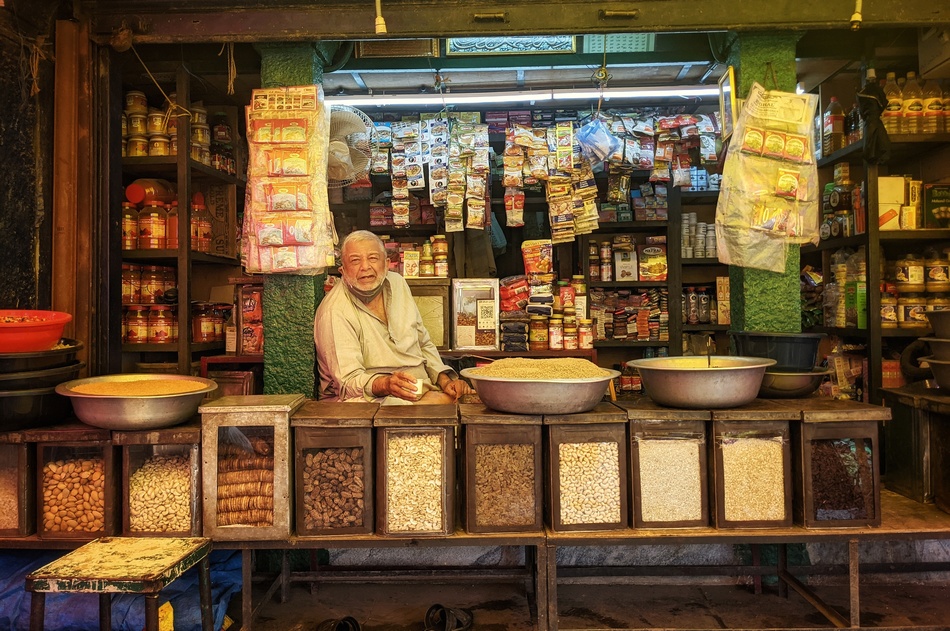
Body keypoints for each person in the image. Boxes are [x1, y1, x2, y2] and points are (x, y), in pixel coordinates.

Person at [315, 230, 474, 404]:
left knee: (463, 398)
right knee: (427, 406)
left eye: (373, 258)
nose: (365, 267)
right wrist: (386, 384)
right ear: (343, 270)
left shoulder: (397, 283)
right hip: (366, 398)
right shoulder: (335, 310)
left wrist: (445, 381)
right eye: (355, 260)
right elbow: (348, 382)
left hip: (420, 388)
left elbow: (423, 343)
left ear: (387, 264)